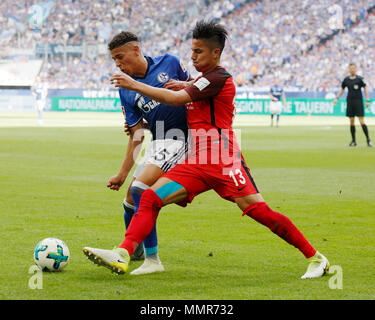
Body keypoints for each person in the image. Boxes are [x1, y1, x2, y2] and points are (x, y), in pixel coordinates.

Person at [83, 20, 329, 280]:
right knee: (149, 198)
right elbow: (183, 97)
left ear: (216, 53)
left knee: (261, 212)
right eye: (192, 51)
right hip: (197, 162)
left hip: (223, 160)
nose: (192, 56)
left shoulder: (219, 77)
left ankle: (316, 257)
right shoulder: (200, 80)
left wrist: (135, 85)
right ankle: (123, 253)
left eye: (198, 51)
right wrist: (151, 113)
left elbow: (178, 99)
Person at [105, 31, 191, 275]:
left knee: (140, 190)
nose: (118, 64)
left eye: (120, 57)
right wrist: (122, 173)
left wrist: (187, 86)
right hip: (158, 142)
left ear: (136, 50)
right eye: (114, 60)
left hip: (181, 137)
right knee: (129, 202)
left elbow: (194, 91)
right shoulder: (125, 89)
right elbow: (136, 134)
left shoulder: (170, 63)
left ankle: (151, 259)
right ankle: (138, 250)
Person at [333, 63, 372, 147]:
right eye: (351, 68)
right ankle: (354, 141)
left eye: (354, 68)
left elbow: (365, 88)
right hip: (350, 102)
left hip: (358, 102)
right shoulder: (346, 80)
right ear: (348, 69)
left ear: (356, 69)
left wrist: (367, 100)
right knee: (351, 121)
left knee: (361, 121)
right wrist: (337, 98)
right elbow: (342, 89)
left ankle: (368, 140)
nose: (352, 70)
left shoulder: (360, 79)